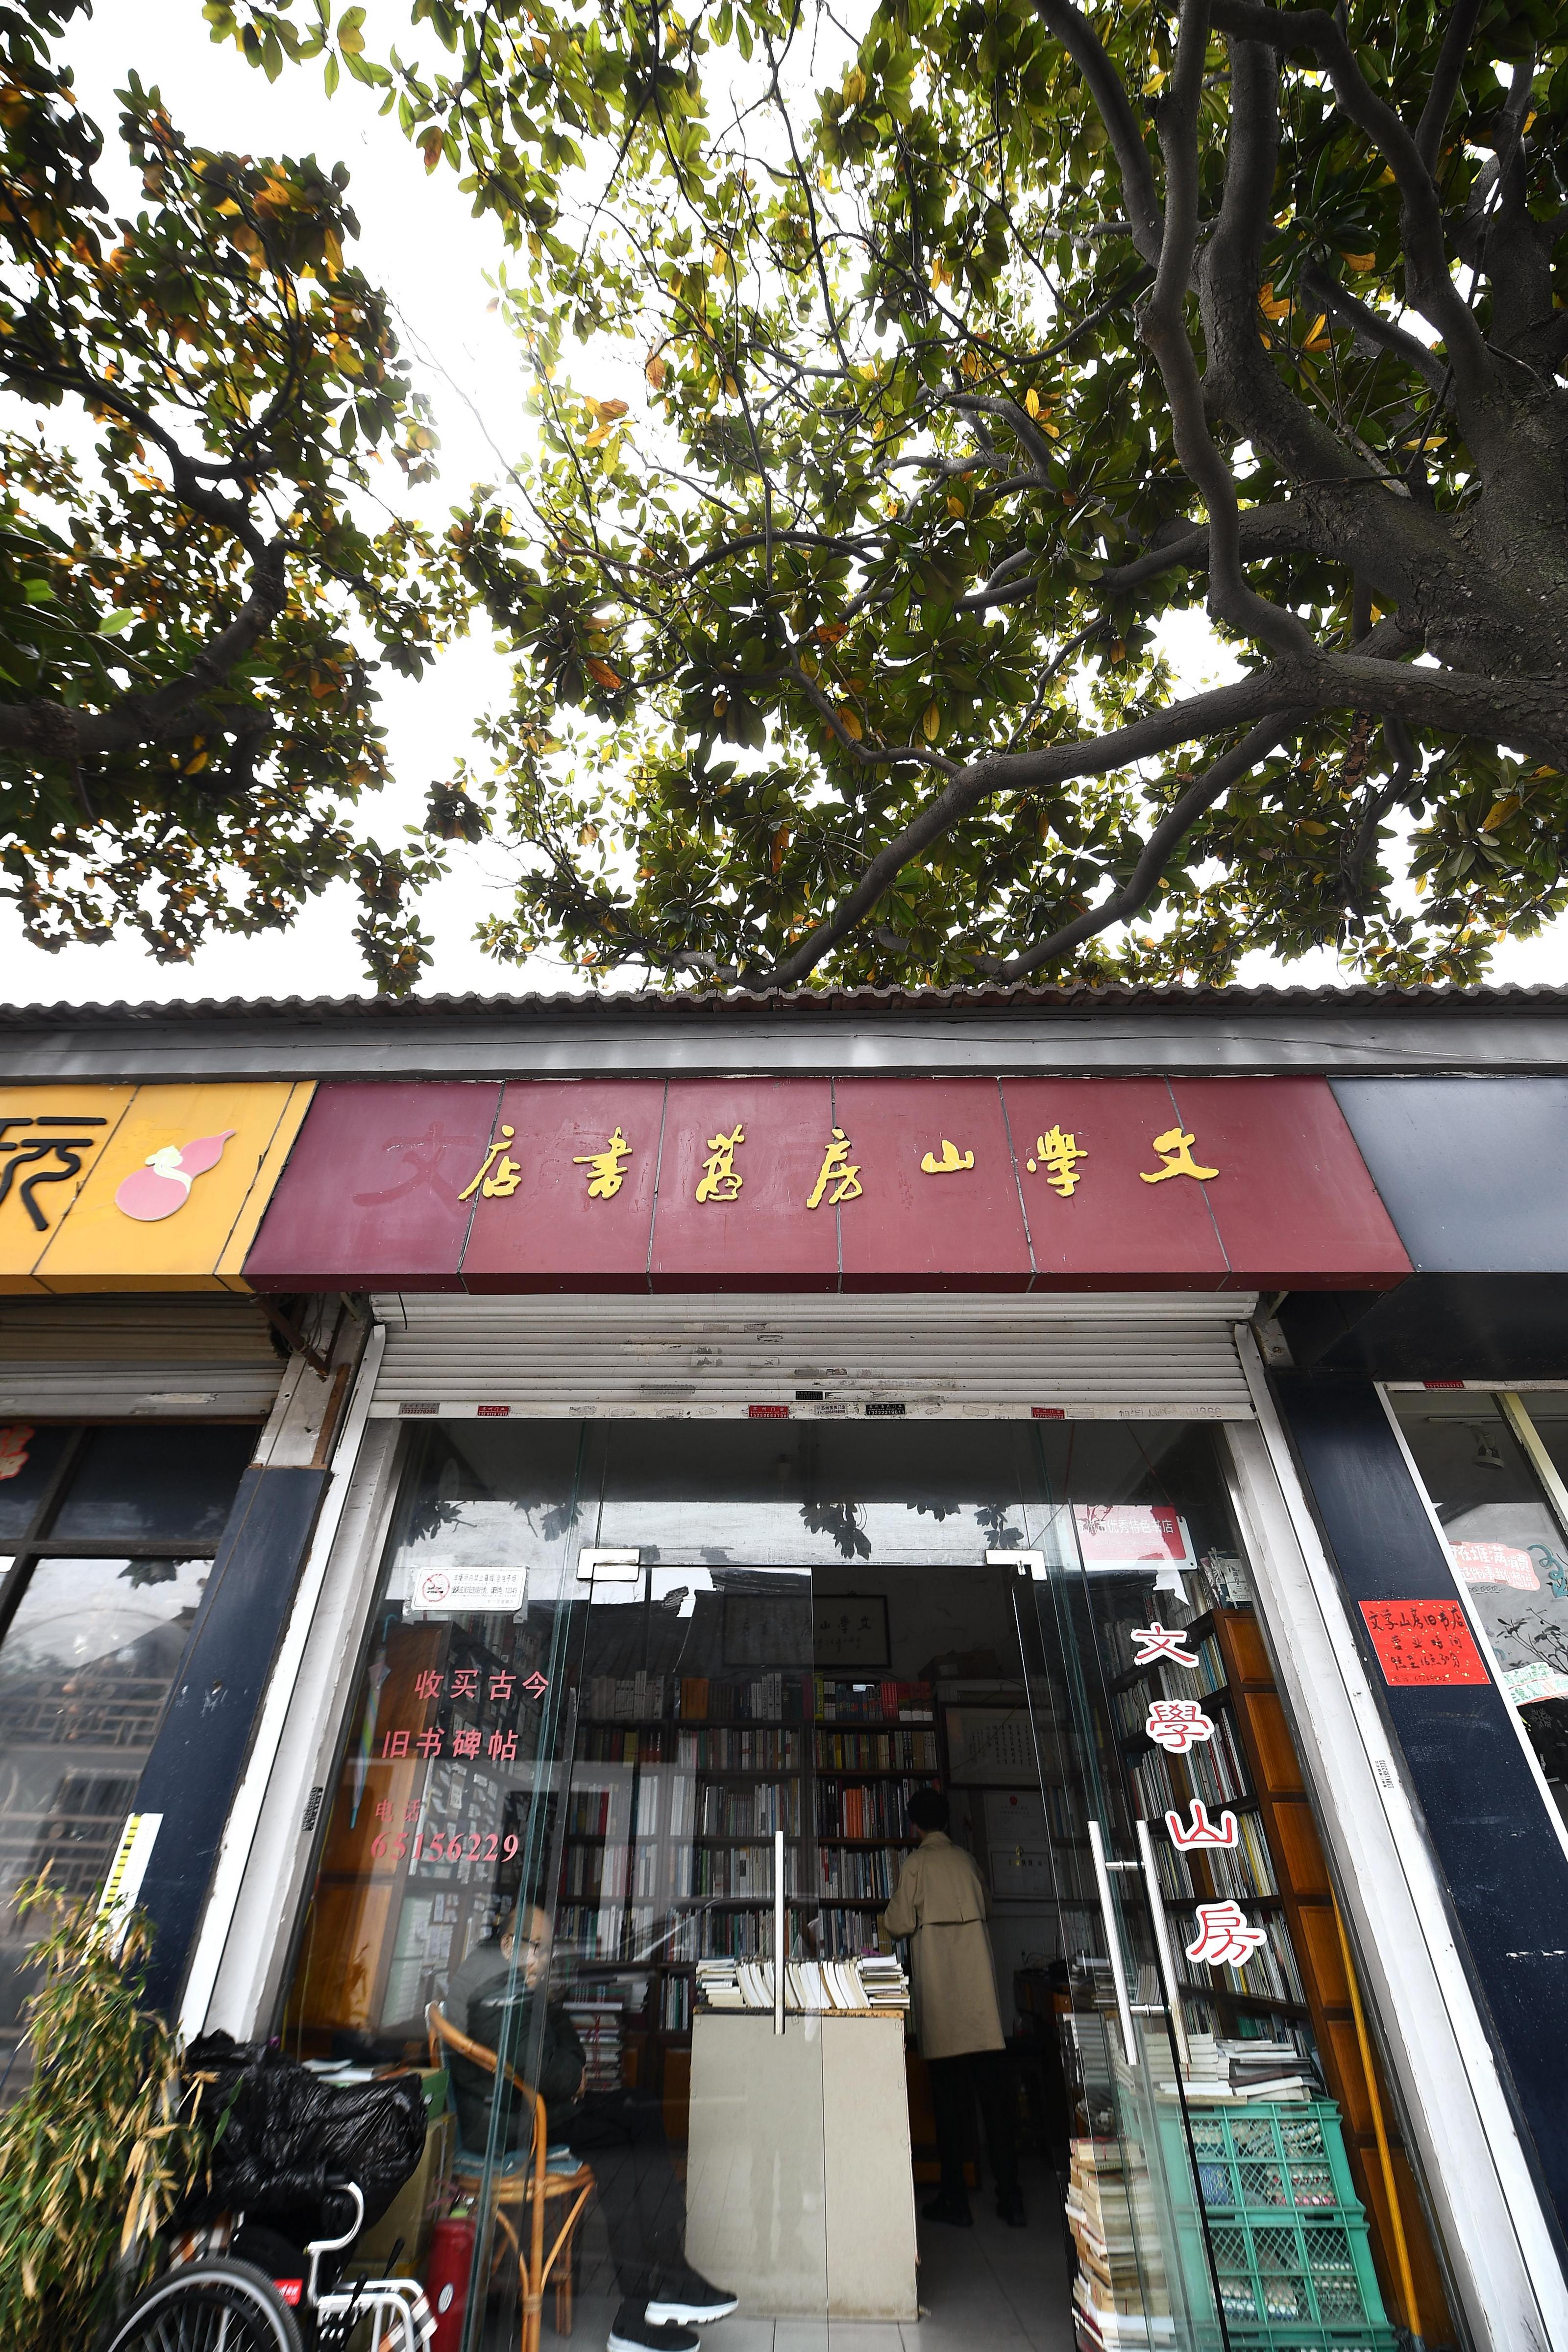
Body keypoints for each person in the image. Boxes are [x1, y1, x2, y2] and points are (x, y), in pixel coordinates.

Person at [443, 1903, 737, 2352]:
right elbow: (548, 2071)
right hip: (515, 2127)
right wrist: (568, 2069)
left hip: (531, 2111)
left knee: (635, 2120)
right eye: (538, 1949)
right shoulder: (494, 1992)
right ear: (508, 1944)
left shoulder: (508, 1978)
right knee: (626, 2143)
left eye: (547, 1950)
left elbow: (561, 2037)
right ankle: (659, 2289)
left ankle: (651, 2298)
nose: (544, 1960)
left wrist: (566, 2057)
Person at [882, 1787, 1024, 2230]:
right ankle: (1012, 2200)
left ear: (914, 1826)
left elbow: (898, 1923)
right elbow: (988, 1905)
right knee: (996, 2110)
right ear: (945, 1821)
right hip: (982, 2012)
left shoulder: (916, 1865)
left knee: (950, 2111)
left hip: (943, 2007)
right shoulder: (966, 1861)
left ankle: (955, 2201)